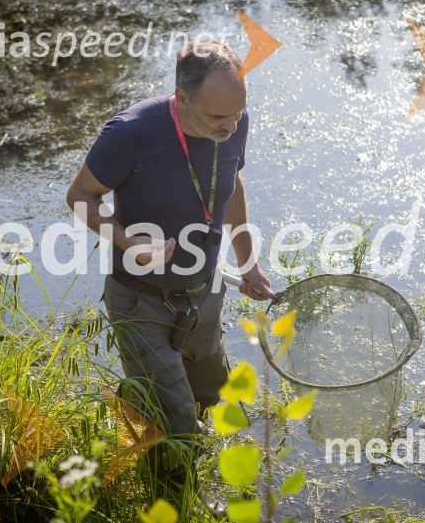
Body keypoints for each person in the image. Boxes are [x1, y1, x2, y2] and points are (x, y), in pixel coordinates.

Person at [66, 39, 273, 504]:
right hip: (140, 298)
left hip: (205, 291)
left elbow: (231, 181)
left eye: (238, 114)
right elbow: (79, 195)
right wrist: (130, 242)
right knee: (177, 421)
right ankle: (177, 503)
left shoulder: (233, 121)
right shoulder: (130, 134)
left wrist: (248, 260)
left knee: (210, 396)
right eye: (218, 117)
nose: (231, 126)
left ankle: (137, 413)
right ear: (181, 98)